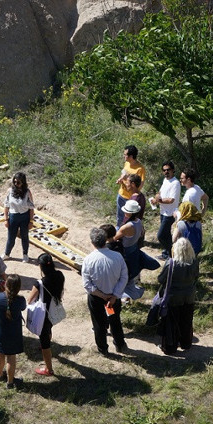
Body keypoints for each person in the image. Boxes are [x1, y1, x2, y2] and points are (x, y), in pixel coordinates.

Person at [82, 227, 129, 355]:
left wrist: (102, 295)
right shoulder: (117, 256)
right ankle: (120, 345)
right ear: (105, 241)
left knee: (99, 324)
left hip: (97, 298)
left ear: (92, 243)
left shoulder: (88, 260)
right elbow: (124, 277)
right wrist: (114, 296)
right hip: (112, 299)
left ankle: (103, 349)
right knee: (114, 320)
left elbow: (87, 284)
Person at [156, 238, 199, 355]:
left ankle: (170, 347)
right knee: (186, 321)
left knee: (171, 324)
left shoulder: (171, 263)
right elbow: (196, 277)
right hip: (189, 296)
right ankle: (186, 343)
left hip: (173, 298)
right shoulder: (194, 262)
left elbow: (161, 279)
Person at [114, 200, 160, 303]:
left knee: (125, 275)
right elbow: (142, 233)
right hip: (134, 249)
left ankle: (125, 297)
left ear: (129, 212)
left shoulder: (127, 226)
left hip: (126, 252)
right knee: (133, 272)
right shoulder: (138, 221)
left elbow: (114, 238)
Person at [26, 253, 65, 376]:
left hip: (43, 314)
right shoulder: (60, 275)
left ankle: (49, 369)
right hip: (53, 310)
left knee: (44, 342)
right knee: (48, 330)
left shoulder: (40, 283)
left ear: (41, 267)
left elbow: (30, 300)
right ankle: (47, 343)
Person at [0, 274, 27, 389]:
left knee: (0, 353)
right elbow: (22, 307)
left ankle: (0, 375)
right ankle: (10, 383)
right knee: (11, 357)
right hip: (13, 334)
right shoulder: (20, 300)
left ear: (5, 284)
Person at [149, 161, 180, 260]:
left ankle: (173, 254)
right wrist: (156, 198)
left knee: (161, 235)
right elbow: (160, 192)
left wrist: (159, 200)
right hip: (163, 212)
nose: (166, 172)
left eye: (168, 170)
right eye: (164, 170)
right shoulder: (165, 180)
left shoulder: (175, 183)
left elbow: (171, 200)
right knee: (166, 235)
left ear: (173, 170)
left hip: (170, 213)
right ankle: (166, 253)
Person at [3, 172, 35, 262]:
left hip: (24, 217)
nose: (16, 184)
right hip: (13, 216)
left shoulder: (27, 192)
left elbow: (31, 208)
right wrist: (6, 219)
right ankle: (7, 254)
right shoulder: (10, 191)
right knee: (11, 237)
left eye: (19, 182)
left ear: (23, 183)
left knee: (24, 236)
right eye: (15, 182)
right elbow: (6, 206)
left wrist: (31, 221)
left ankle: (25, 254)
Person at [115, 145, 146, 228]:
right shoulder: (126, 163)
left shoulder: (140, 169)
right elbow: (124, 173)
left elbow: (140, 185)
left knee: (128, 219)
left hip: (130, 199)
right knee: (119, 218)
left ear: (131, 156)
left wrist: (130, 189)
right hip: (121, 194)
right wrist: (120, 179)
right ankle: (119, 234)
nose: (123, 156)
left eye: (125, 154)